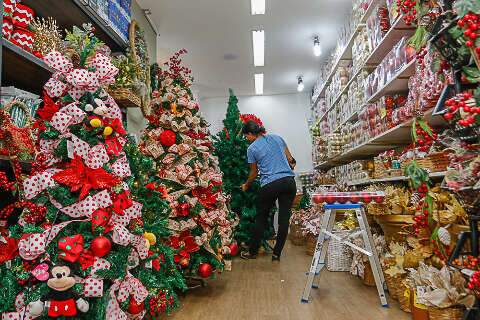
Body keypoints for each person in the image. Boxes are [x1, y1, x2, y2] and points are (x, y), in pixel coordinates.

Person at [240, 120, 297, 261]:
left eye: (246, 136)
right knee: (284, 220)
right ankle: (276, 254)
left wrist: (246, 185)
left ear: (250, 133)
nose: (247, 139)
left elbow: (254, 172)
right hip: (289, 182)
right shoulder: (277, 138)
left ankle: (252, 252)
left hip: (270, 185)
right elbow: (291, 160)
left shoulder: (252, 149)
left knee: (261, 218)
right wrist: (287, 167)